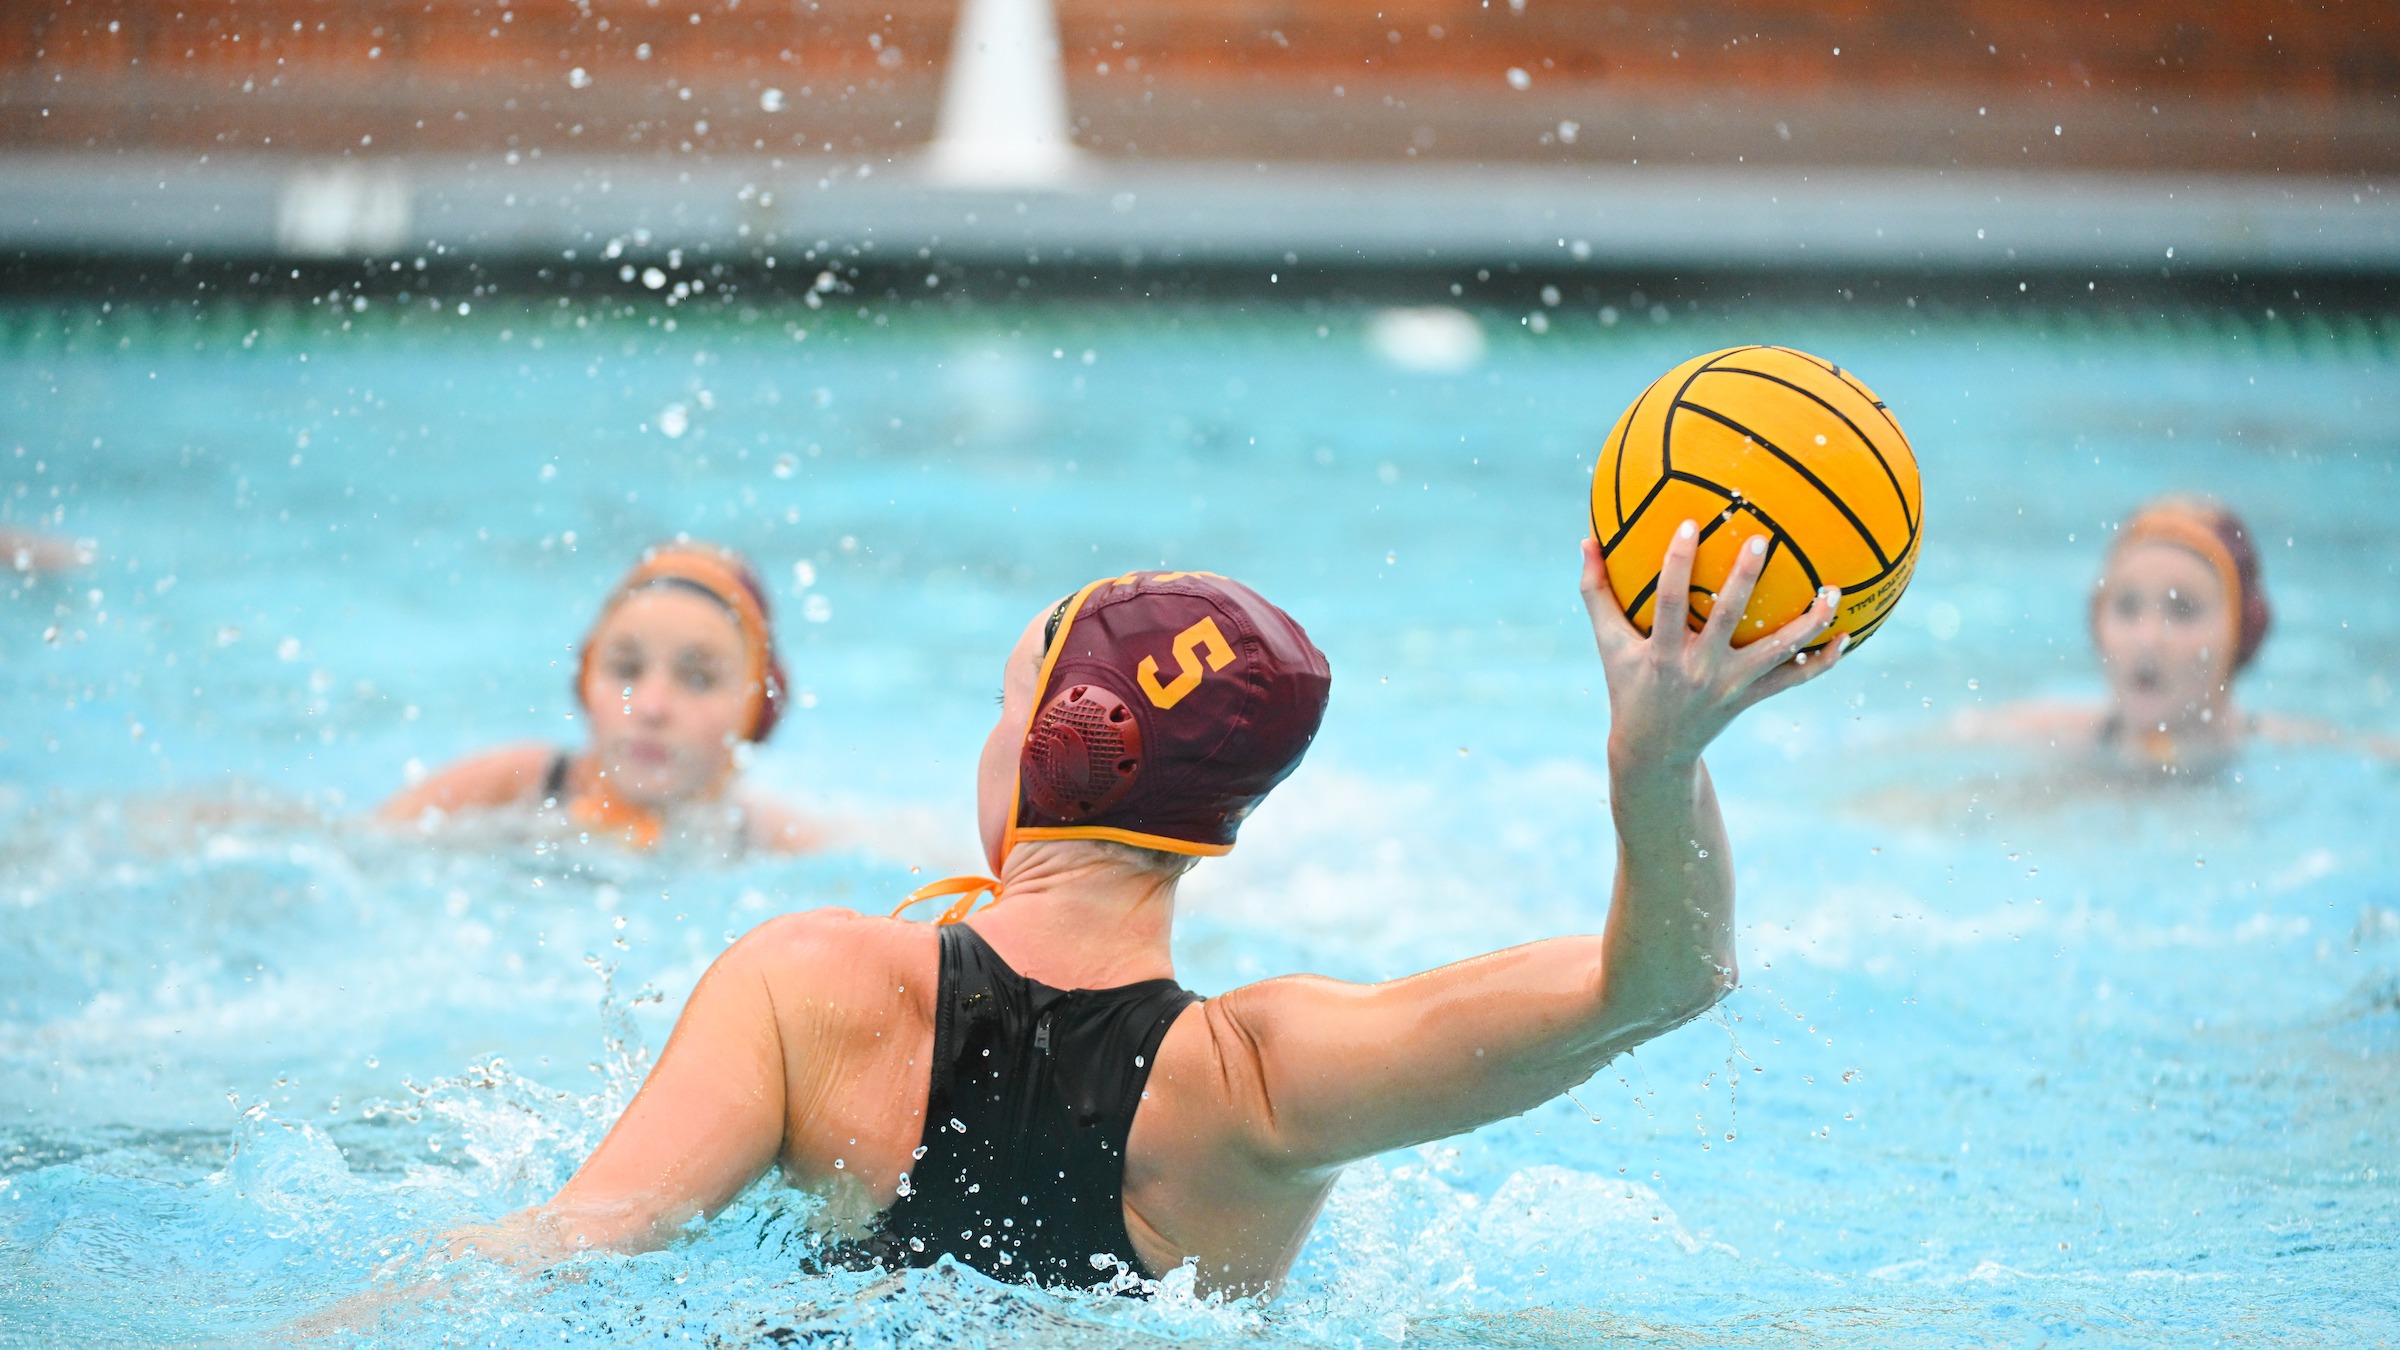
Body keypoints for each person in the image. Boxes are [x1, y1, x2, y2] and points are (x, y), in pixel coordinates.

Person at [438, 527, 1846, 1296]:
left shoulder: (810, 984)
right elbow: (1664, 979)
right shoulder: (1264, 1085)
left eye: (1004, 704)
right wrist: (1656, 760)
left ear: (1057, 751)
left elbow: (563, 1255)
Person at [380, 541, 818, 852]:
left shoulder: (766, 839)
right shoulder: (513, 787)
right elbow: (349, 843)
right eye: (625, 669)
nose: (651, 707)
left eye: (698, 679)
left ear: (759, 709)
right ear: (585, 683)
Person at [1959, 495, 2389, 775]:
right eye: (2126, 607)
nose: (2148, 637)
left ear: (2242, 632)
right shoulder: (2040, 737)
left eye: (2182, 610)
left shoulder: (2296, 756)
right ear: (2097, 621)